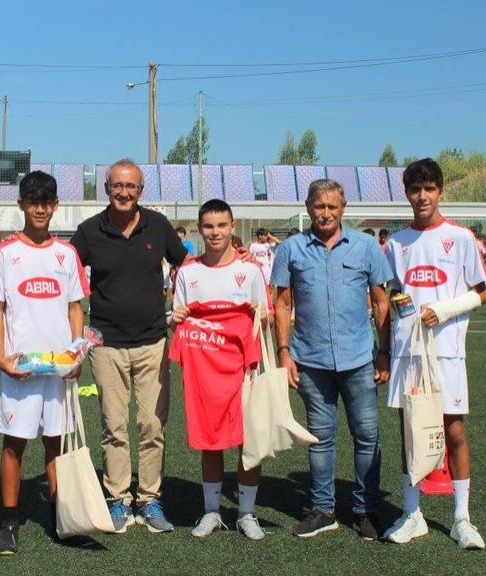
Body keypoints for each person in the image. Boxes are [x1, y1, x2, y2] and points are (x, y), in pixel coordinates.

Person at [71, 159, 189, 533]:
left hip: (153, 341)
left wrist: (233, 260)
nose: (124, 192)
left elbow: (188, 266)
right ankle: (118, 499)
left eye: (131, 186)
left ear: (141, 190)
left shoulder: (158, 225)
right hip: (106, 344)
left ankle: (150, 499)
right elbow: (64, 271)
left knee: (152, 425)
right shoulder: (89, 231)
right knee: (114, 426)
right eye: (117, 186)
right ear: (107, 188)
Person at [272, 178, 392, 540]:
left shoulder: (366, 246)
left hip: (359, 359)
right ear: (308, 207)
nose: (326, 213)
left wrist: (384, 352)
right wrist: (283, 353)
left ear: (343, 209)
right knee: (320, 438)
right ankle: (323, 510)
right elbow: (282, 304)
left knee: (367, 436)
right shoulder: (291, 249)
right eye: (319, 206)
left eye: (332, 207)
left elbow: (381, 302)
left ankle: (366, 510)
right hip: (311, 361)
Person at [382, 158, 486, 550]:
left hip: (446, 352)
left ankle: (461, 518)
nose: (422, 196)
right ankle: (412, 514)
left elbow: (481, 293)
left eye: (429, 188)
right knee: (409, 432)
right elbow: (391, 298)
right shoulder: (395, 243)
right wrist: (385, 349)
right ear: (407, 194)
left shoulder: (460, 238)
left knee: (454, 430)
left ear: (440, 191)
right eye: (415, 189)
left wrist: (443, 310)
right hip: (407, 353)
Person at [0, 171, 89, 555]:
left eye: (46, 202)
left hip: (58, 370)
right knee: (14, 444)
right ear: (21, 205)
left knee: (55, 444)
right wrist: (0, 356)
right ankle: (9, 522)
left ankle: (61, 517)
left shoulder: (67, 254)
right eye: (33, 202)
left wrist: (76, 353)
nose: (40, 209)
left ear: (56, 205)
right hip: (21, 368)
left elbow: (75, 308)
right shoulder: (5, 253)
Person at [170, 199, 272, 541]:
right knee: (210, 441)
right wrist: (175, 319)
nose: (215, 232)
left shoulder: (250, 271)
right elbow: (178, 321)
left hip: (244, 370)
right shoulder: (188, 273)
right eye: (209, 226)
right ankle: (212, 511)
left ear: (232, 227)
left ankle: (246, 513)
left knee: (248, 440)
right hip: (205, 371)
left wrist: (261, 313)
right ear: (199, 230)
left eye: (222, 226)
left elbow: (267, 318)